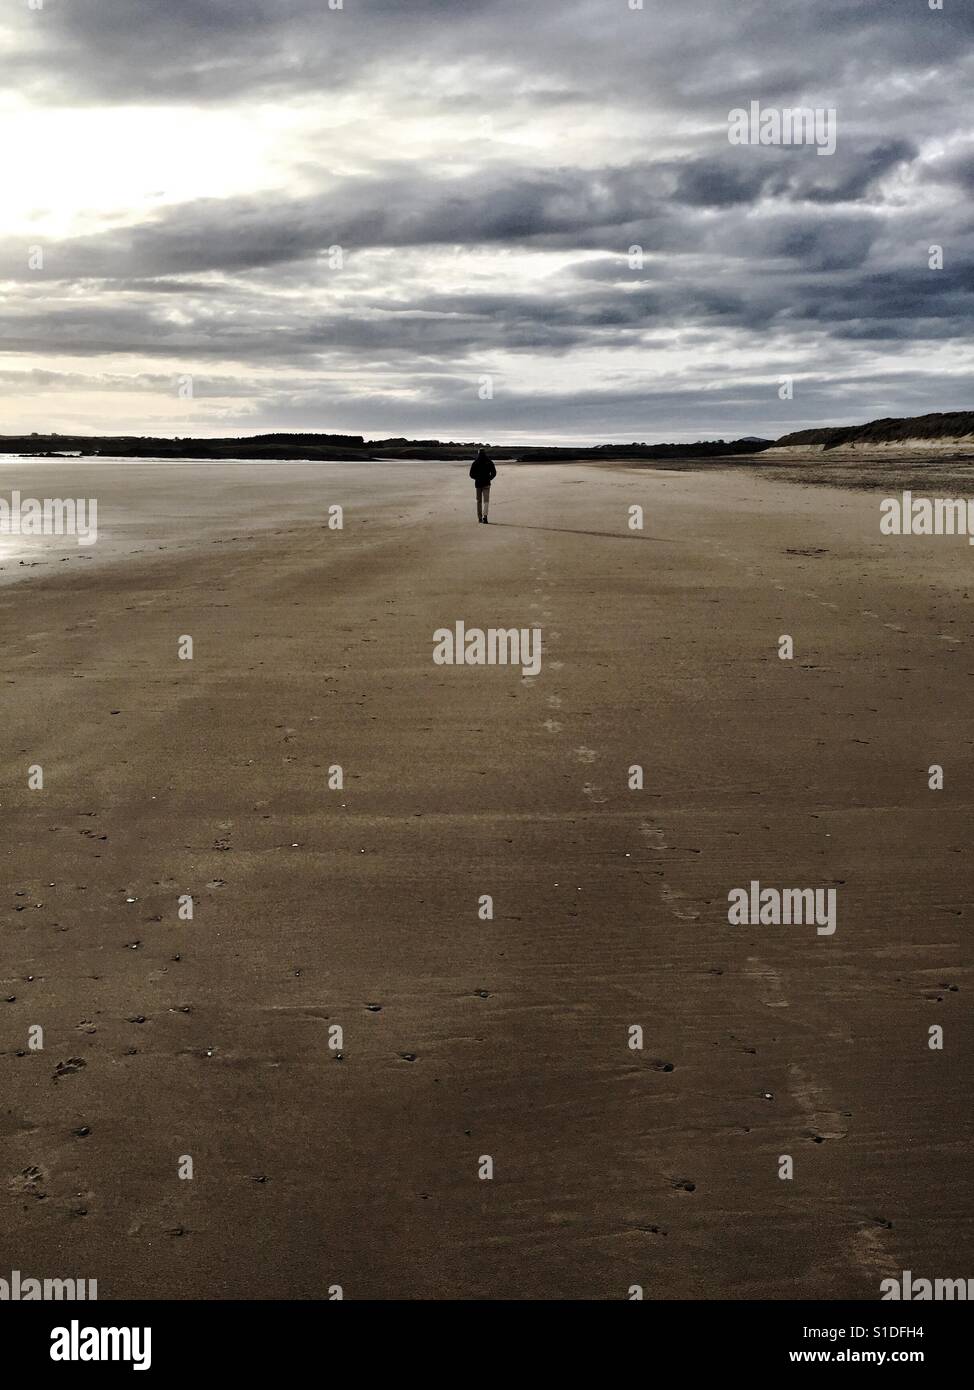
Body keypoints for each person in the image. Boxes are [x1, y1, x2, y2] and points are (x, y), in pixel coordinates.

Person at [469, 446, 497, 523]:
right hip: (487, 483)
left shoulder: (475, 462)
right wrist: (489, 478)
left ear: (478, 453)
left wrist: (476, 478)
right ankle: (485, 517)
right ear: (485, 453)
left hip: (478, 484)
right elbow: (494, 473)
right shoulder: (489, 461)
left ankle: (479, 518)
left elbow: (471, 474)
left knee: (479, 501)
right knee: (486, 501)